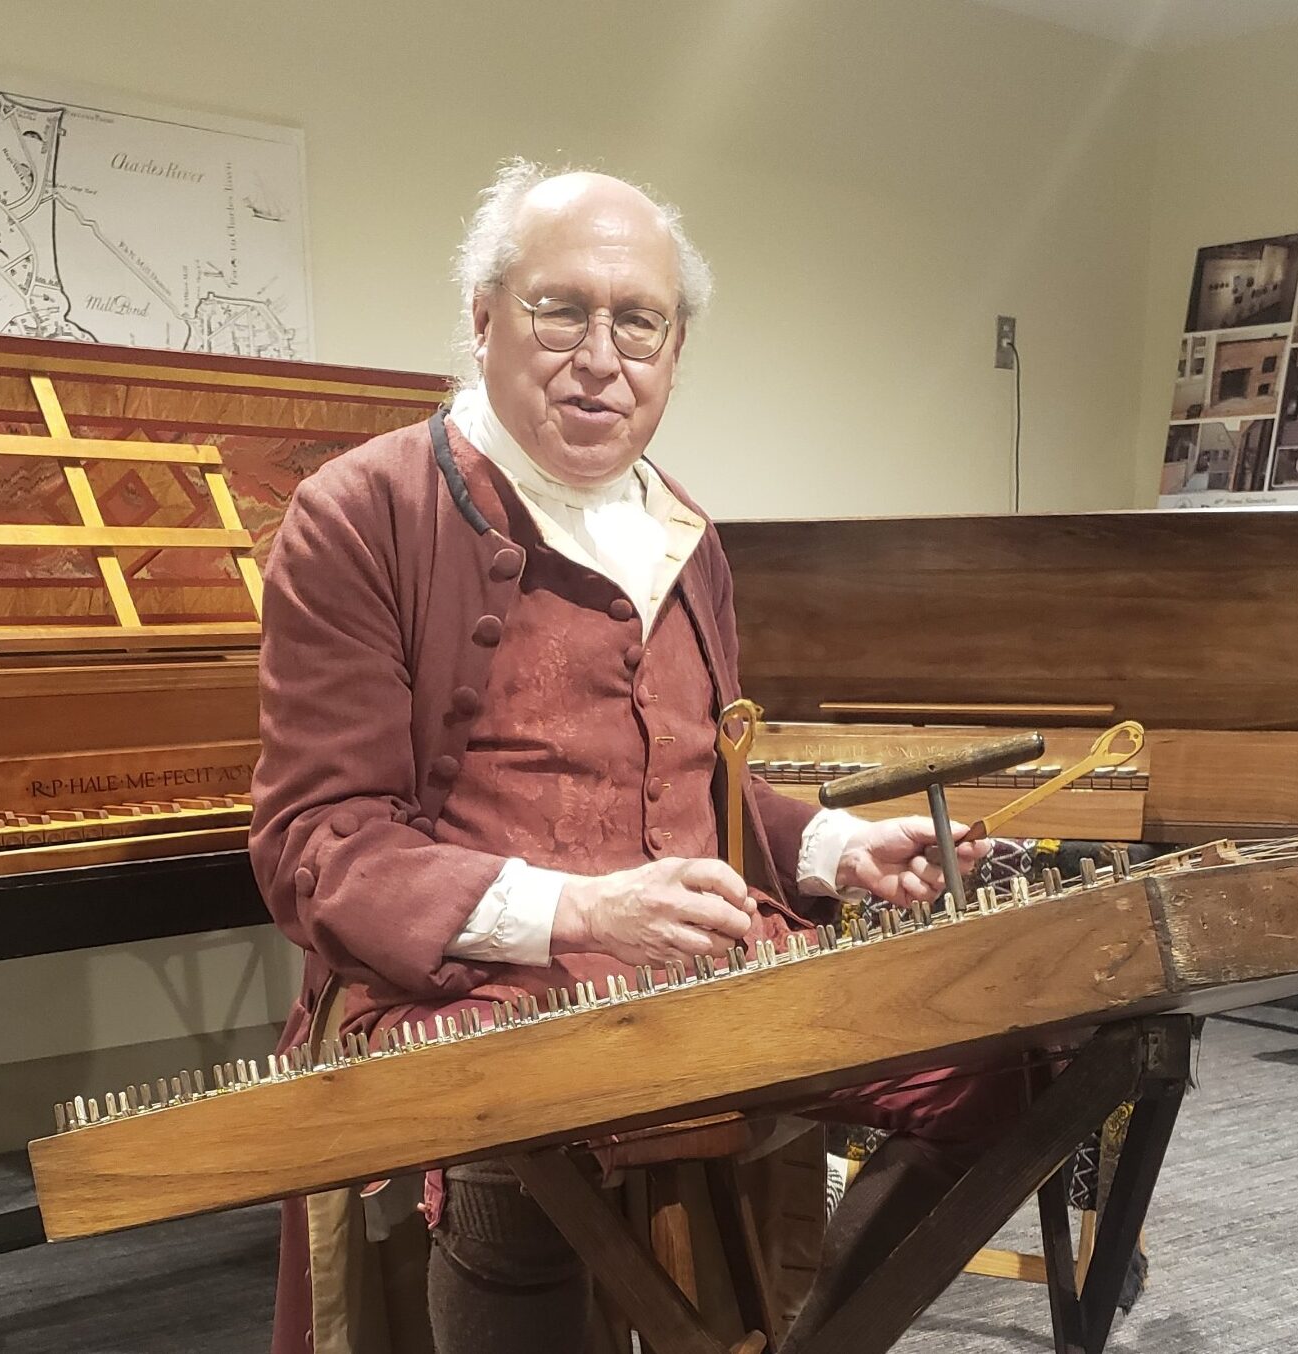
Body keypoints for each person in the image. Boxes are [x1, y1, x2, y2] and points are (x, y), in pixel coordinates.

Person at [250, 161, 1026, 1354]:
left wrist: (835, 844)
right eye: (562, 308)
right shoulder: (362, 514)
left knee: (1012, 1062)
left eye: (639, 322)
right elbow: (318, 849)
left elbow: (690, 777)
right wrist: (582, 911)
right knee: (530, 1131)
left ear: (673, 353)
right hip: (471, 983)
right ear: (484, 317)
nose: (599, 355)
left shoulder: (686, 532)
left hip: (702, 976)